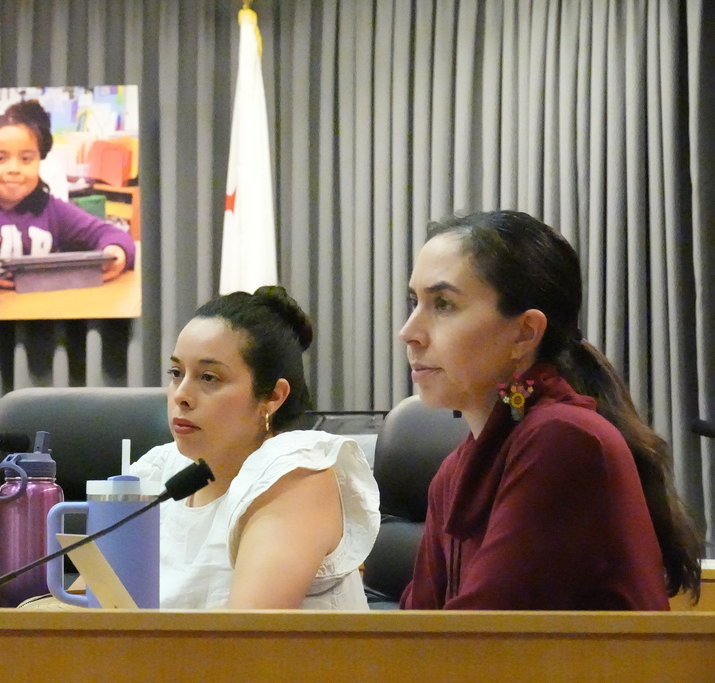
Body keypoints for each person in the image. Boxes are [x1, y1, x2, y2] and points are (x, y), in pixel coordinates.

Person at [398, 210, 703, 610]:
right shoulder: (454, 470)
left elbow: (475, 641)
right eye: (414, 302)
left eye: (443, 304)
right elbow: (412, 636)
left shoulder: (564, 441)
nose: (409, 332)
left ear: (525, 333)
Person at [129, 286, 380, 609]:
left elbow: (244, 643)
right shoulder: (159, 470)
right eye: (177, 373)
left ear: (272, 397)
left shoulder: (294, 474)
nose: (181, 395)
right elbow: (88, 606)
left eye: (209, 377)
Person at [0, 99, 135, 280]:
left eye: (26, 159)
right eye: (0, 158)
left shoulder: (52, 209)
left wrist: (116, 251)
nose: (14, 169)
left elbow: (109, 233)